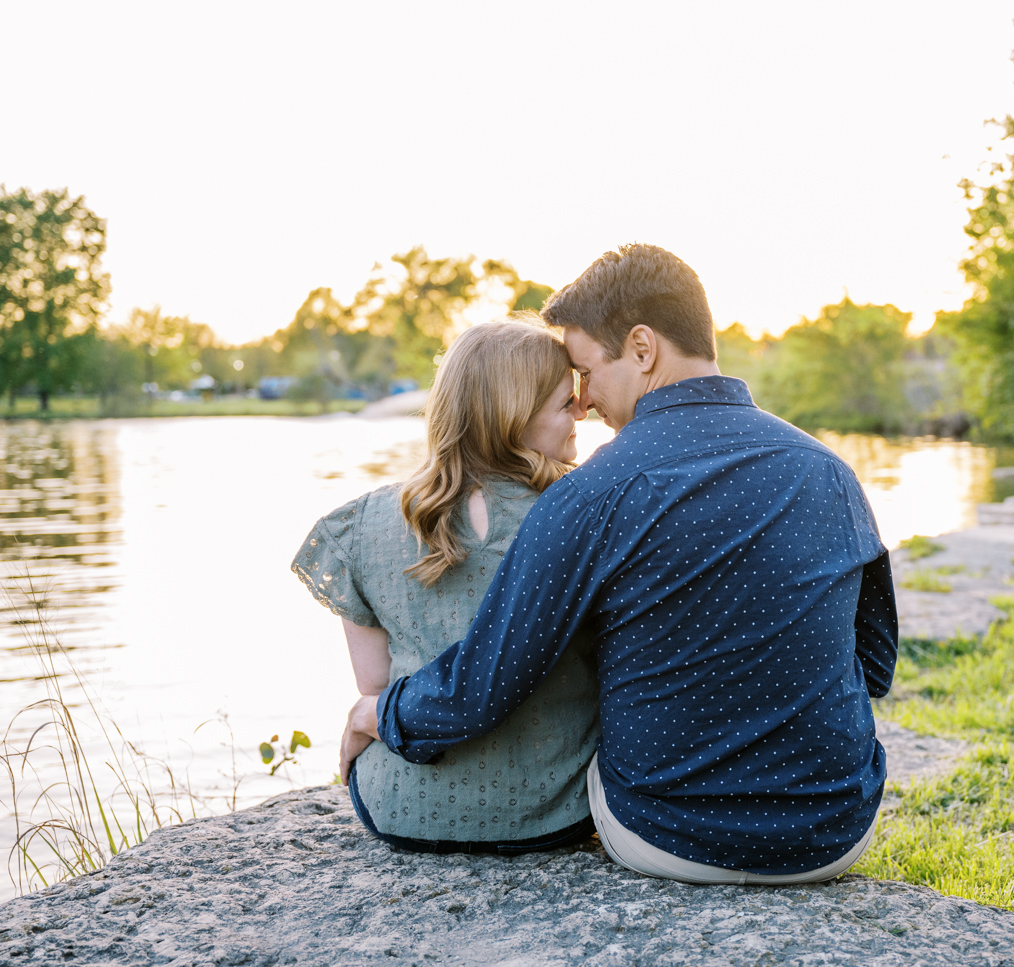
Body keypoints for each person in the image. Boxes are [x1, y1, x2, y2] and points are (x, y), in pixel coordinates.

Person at [343, 244, 898, 884]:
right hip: (831, 832)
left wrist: (376, 713)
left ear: (642, 349)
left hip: (662, 836)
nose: (583, 401)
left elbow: (480, 689)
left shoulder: (588, 494)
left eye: (585, 369)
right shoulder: (828, 470)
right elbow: (874, 664)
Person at [291, 318, 600, 854]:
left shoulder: (361, 526)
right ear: (513, 418)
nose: (582, 412)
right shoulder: (578, 515)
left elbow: (374, 686)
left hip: (403, 810)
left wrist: (367, 718)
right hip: (553, 813)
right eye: (564, 403)